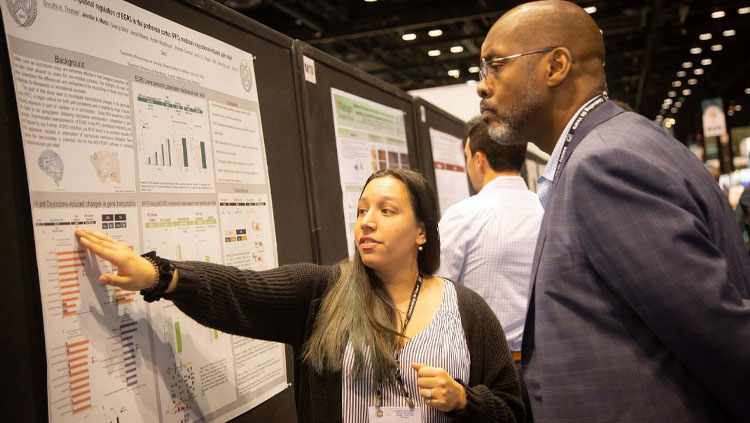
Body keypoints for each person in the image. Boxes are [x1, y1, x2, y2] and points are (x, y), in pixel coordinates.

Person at [477, 1, 750, 422]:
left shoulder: (605, 164)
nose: (482, 85)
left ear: (556, 66)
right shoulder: (615, 146)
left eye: (496, 65)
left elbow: (721, 337)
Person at [75, 168, 524, 423]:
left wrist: (465, 400)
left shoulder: (466, 310)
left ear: (422, 231)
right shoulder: (323, 294)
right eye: (362, 210)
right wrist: (161, 274)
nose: (367, 221)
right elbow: (242, 290)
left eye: (386, 211)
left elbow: (512, 411)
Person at [438, 116, 542, 359]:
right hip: (545, 361)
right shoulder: (547, 209)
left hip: (487, 367)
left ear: (479, 159)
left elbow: (435, 293)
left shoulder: (462, 216)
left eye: (466, 157)